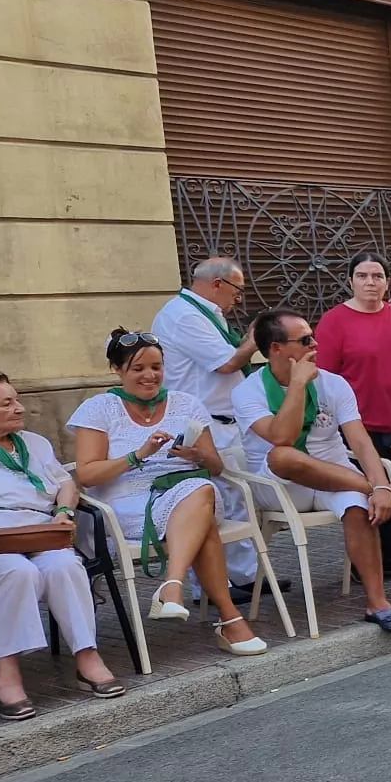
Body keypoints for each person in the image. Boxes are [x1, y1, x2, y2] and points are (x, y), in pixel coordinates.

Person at [234, 310, 391, 632]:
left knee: (358, 508)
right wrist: (297, 385)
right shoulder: (247, 391)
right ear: (276, 349)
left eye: (313, 337)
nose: (315, 344)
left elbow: (361, 442)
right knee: (283, 456)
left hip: (337, 475)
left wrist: (378, 485)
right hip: (281, 485)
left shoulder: (334, 383)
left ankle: (378, 603)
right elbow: (282, 438)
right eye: (304, 340)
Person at [67, 330, 267, 655]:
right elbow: (87, 475)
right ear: (118, 370)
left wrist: (196, 455)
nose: (150, 375)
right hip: (128, 505)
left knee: (201, 488)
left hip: (192, 494)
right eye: (138, 368)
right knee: (202, 517)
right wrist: (138, 455)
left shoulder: (186, 404)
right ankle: (229, 620)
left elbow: (216, 466)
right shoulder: (99, 409)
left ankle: (172, 586)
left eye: (156, 367)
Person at [0, 370, 126, 720]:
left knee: (65, 566)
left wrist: (63, 512)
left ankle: (86, 657)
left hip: (39, 532)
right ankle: (8, 673)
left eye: (17, 400)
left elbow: (65, 483)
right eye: (6, 403)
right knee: (17, 572)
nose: (19, 408)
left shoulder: (35, 443)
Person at [149, 256, 265, 598]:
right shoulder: (184, 315)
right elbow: (227, 363)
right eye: (237, 291)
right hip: (202, 422)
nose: (238, 299)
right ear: (217, 283)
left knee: (237, 499)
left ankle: (245, 577)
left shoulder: (205, 312)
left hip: (223, 421)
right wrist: (255, 339)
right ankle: (212, 588)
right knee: (210, 503)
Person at [315, 253, 391, 579]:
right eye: (363, 275)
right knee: (371, 492)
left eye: (378, 276)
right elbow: (323, 377)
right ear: (350, 281)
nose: (371, 282)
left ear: (387, 282)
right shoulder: (335, 321)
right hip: (364, 425)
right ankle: (366, 562)